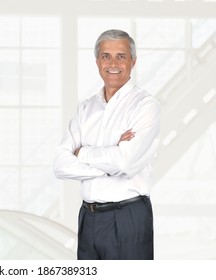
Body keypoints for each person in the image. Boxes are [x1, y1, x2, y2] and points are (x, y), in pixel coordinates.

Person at [54, 29, 160, 260]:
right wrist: (110, 159)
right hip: (88, 218)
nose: (113, 63)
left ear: (133, 61)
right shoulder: (86, 108)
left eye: (121, 56)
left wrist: (82, 152)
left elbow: (125, 162)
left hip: (127, 217)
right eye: (106, 56)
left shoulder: (145, 106)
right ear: (97, 61)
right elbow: (61, 165)